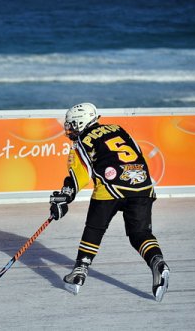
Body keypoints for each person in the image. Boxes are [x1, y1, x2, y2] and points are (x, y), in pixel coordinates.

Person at [49, 102, 170, 302]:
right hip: (142, 185)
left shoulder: (82, 141)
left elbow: (79, 175)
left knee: (94, 229)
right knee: (140, 234)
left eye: (71, 125)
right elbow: (138, 152)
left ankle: (80, 271)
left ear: (80, 123)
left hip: (111, 187)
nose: (68, 129)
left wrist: (65, 196)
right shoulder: (118, 129)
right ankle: (157, 261)